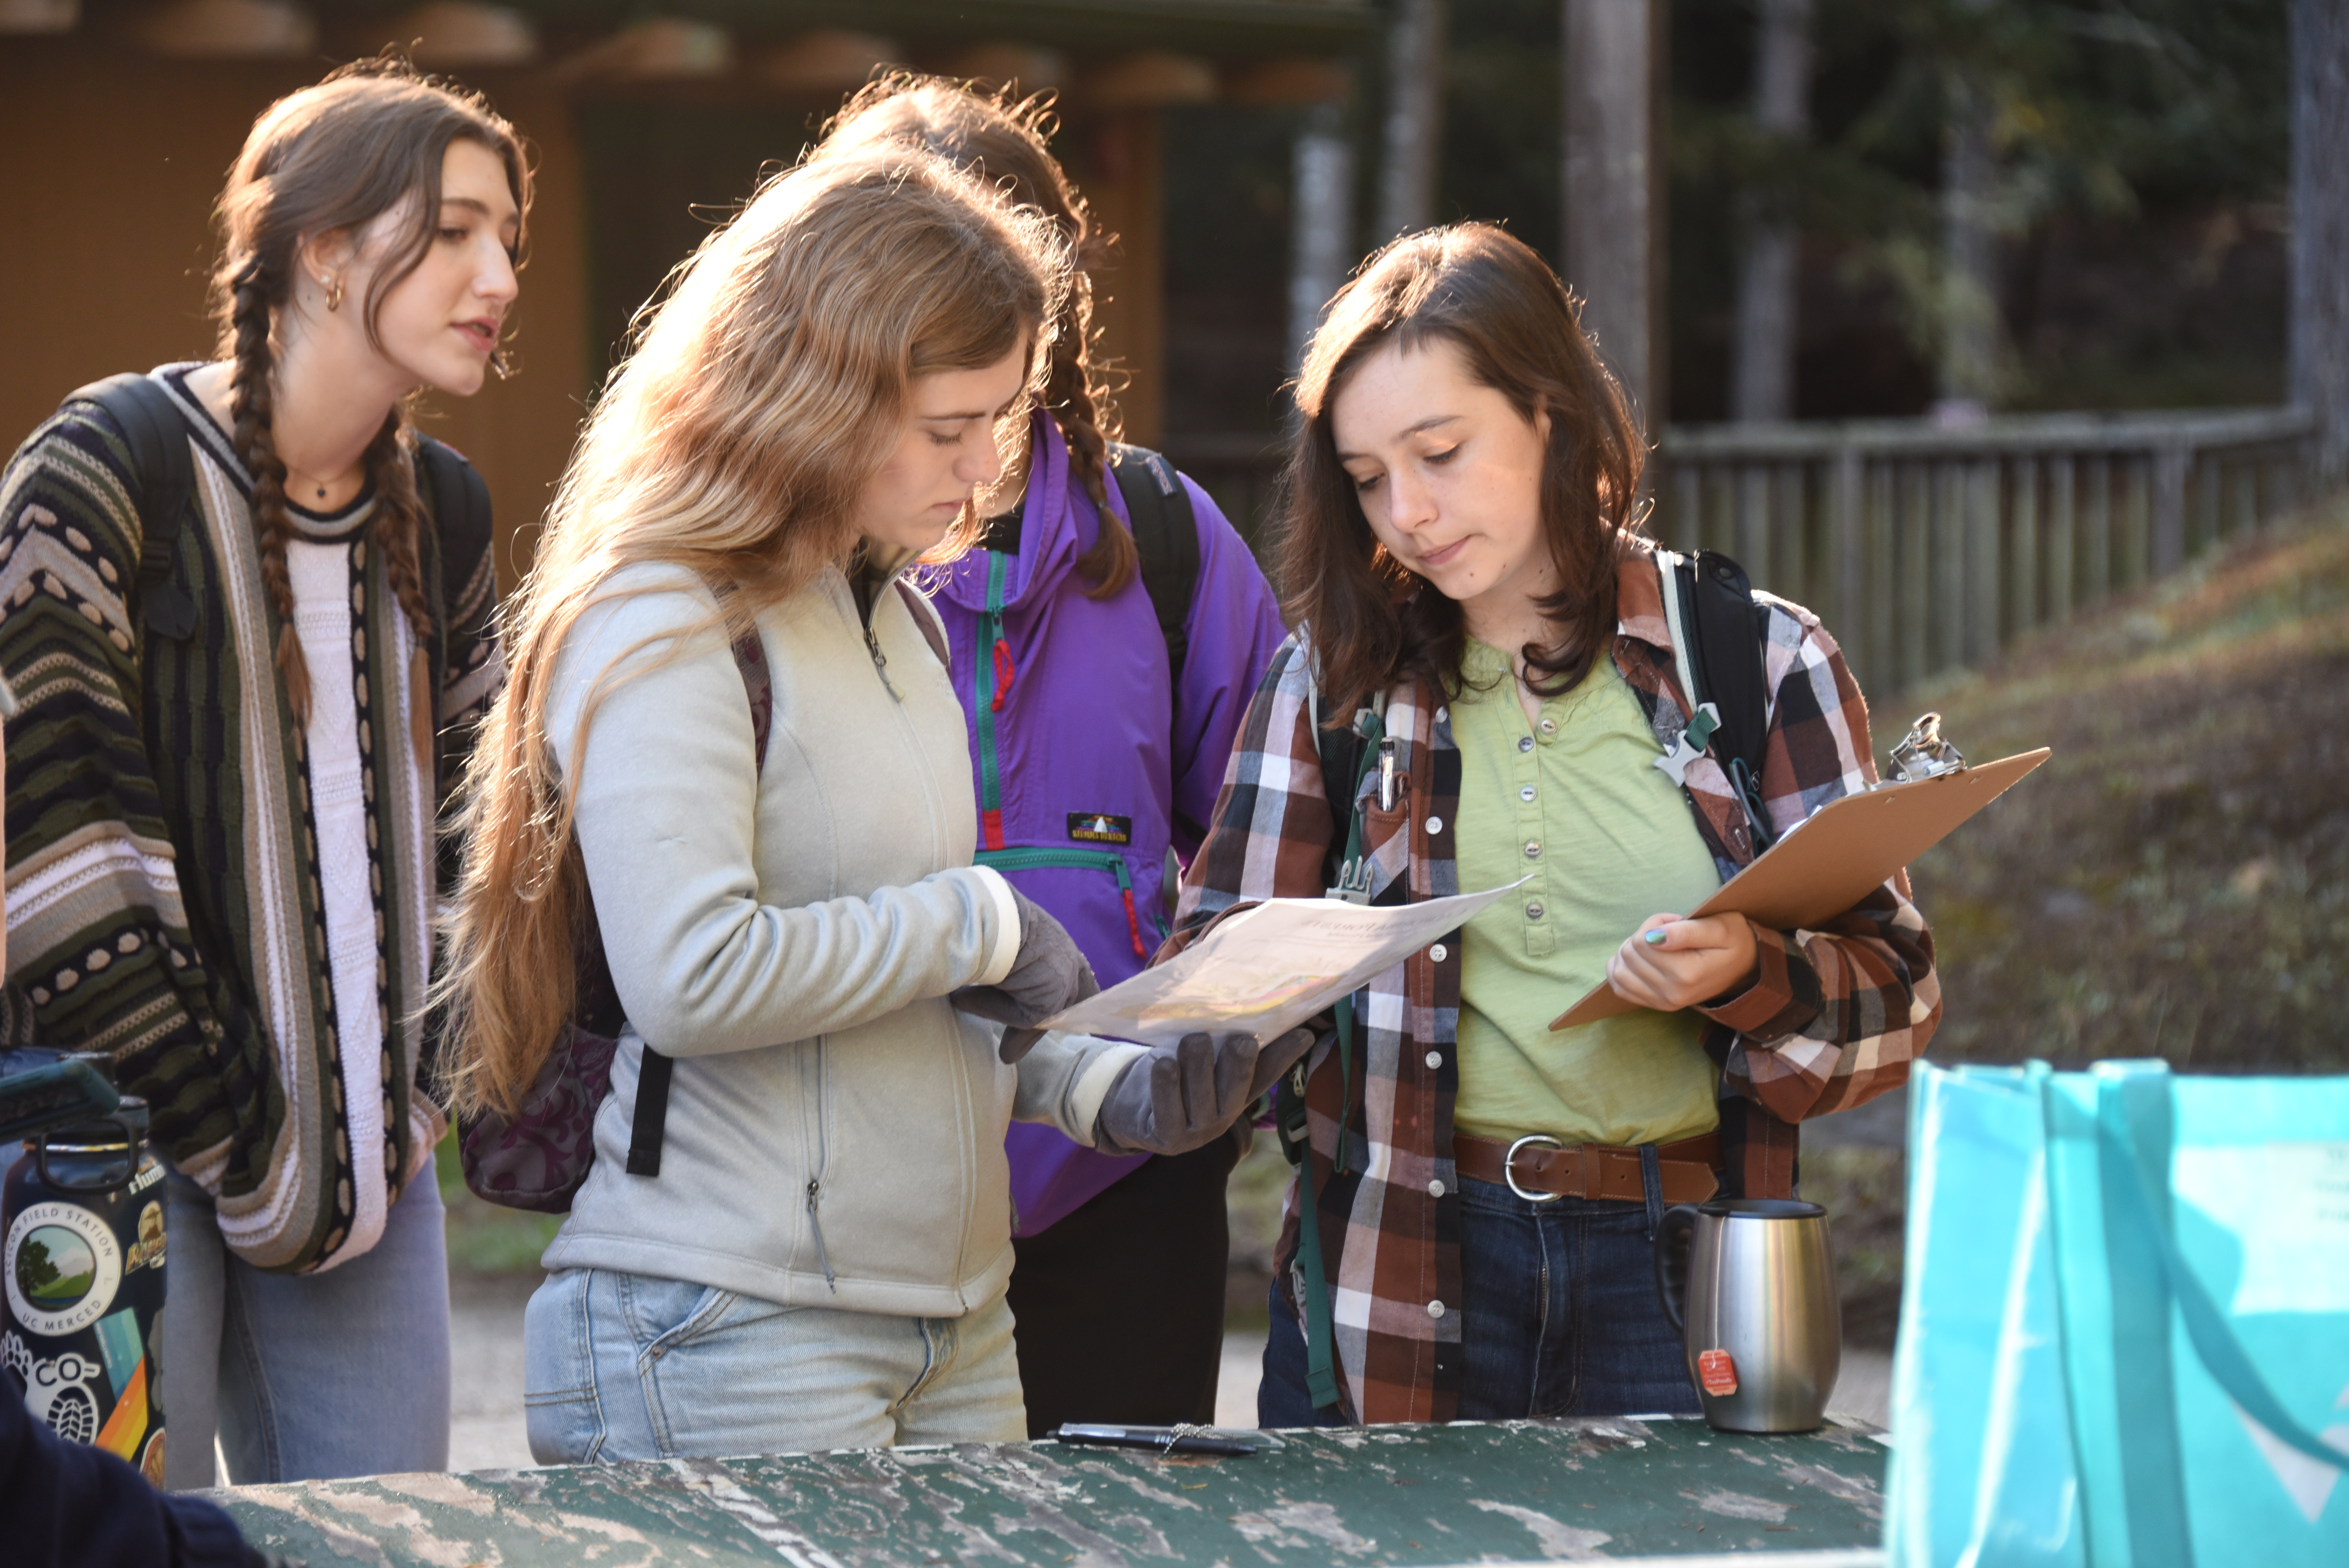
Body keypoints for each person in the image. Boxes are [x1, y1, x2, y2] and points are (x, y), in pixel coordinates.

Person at [437, 146, 1310, 1462]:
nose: (984, 471)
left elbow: (920, 1005)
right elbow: (692, 976)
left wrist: (1112, 1095)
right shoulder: (662, 611)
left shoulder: (895, 612)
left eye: (1002, 420)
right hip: (723, 1325)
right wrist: (984, 923)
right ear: (815, 395)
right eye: (948, 429)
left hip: (956, 1327)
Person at [1165, 224, 1940, 1427]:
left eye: (1440, 453)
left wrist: (1747, 970)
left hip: (1679, 1276)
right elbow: (1213, 992)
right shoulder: (1333, 682)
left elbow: (1893, 1010)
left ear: (1551, 414)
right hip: (1399, 1266)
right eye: (1369, 477)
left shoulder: (1758, 658)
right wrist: (1227, 1022)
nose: (1408, 512)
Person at [0, 59, 526, 1484]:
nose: (499, 275)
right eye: (459, 228)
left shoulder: (451, 513)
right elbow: (52, 851)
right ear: (322, 246)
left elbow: (490, 835)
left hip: (375, 1162)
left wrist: (411, 1102)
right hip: (114, 1152)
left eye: (512, 241)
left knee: (392, 1532)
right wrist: (246, 1139)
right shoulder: (106, 472)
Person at [814, 78, 1289, 1435]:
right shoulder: (780, 563)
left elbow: (1269, 844)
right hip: (859, 1178)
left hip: (1129, 1174)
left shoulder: (1168, 537)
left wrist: (1219, 1059)